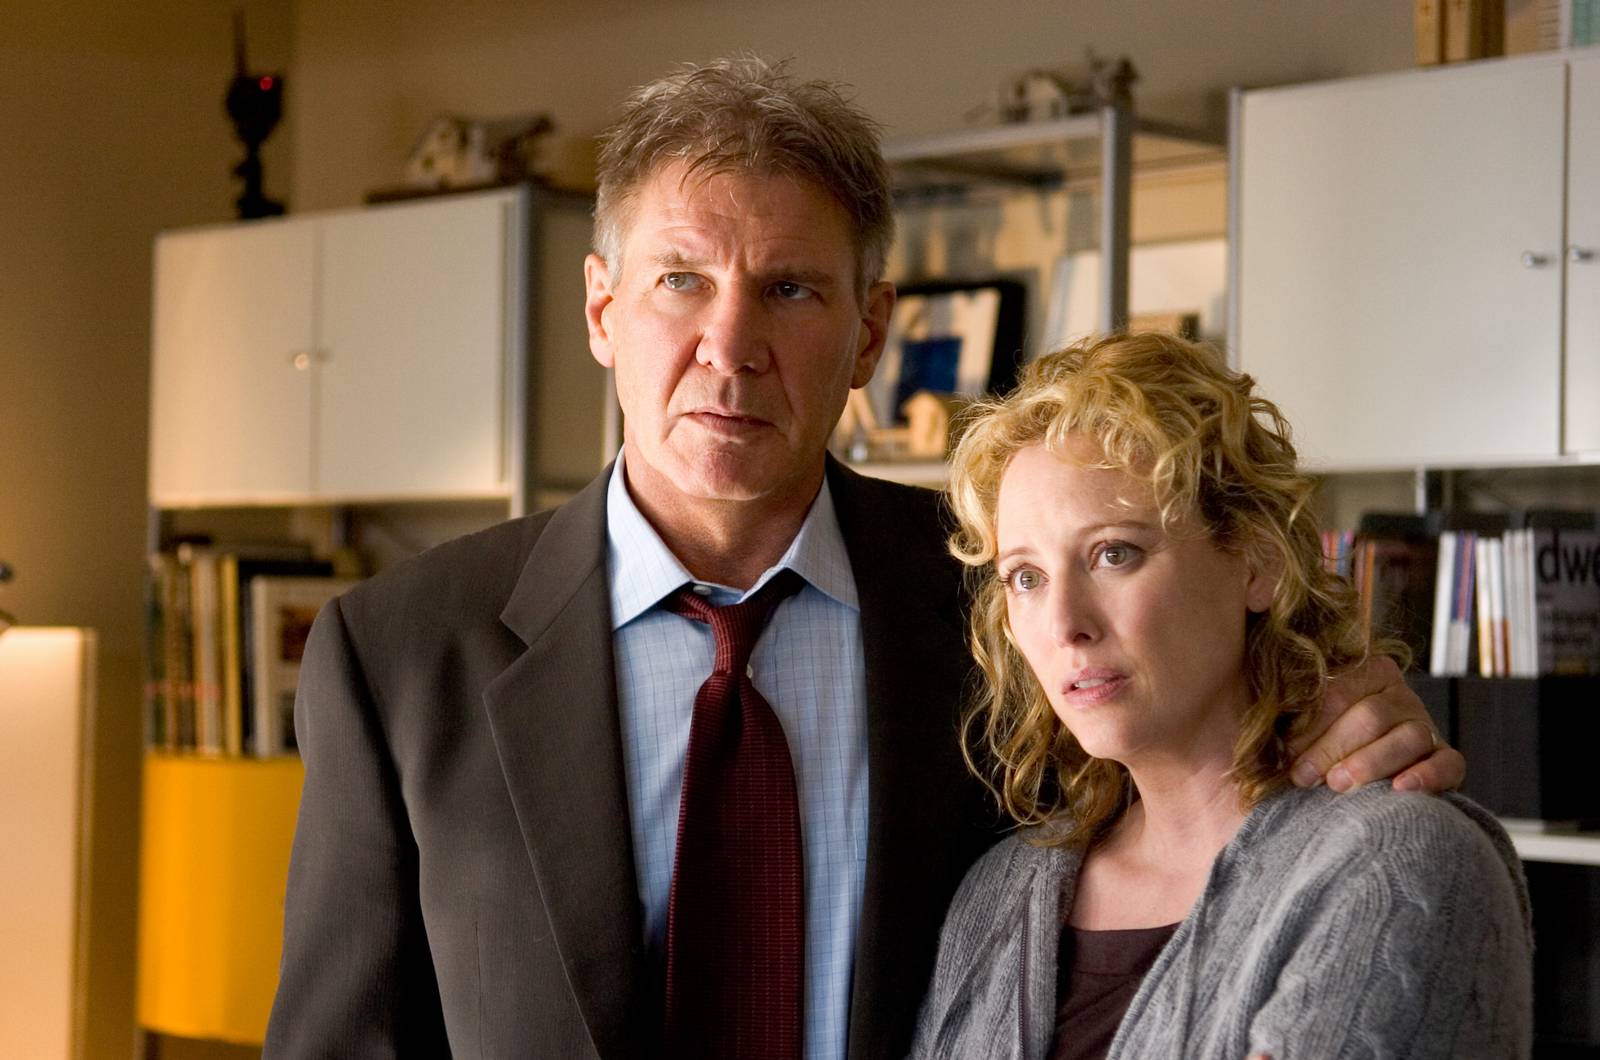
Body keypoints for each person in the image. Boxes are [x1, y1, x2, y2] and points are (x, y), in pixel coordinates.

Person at [264, 60, 1465, 1060]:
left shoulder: (1007, 604)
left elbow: (1195, 781)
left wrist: (1341, 715)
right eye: (680, 281)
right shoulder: (401, 653)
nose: (729, 346)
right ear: (600, 311)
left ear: (870, 334)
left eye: (789, 288)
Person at [912, 332, 1531, 1059]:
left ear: (1258, 563)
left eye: (1114, 554)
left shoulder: (1397, 864)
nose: (1064, 625)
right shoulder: (999, 892)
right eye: (1026, 577)